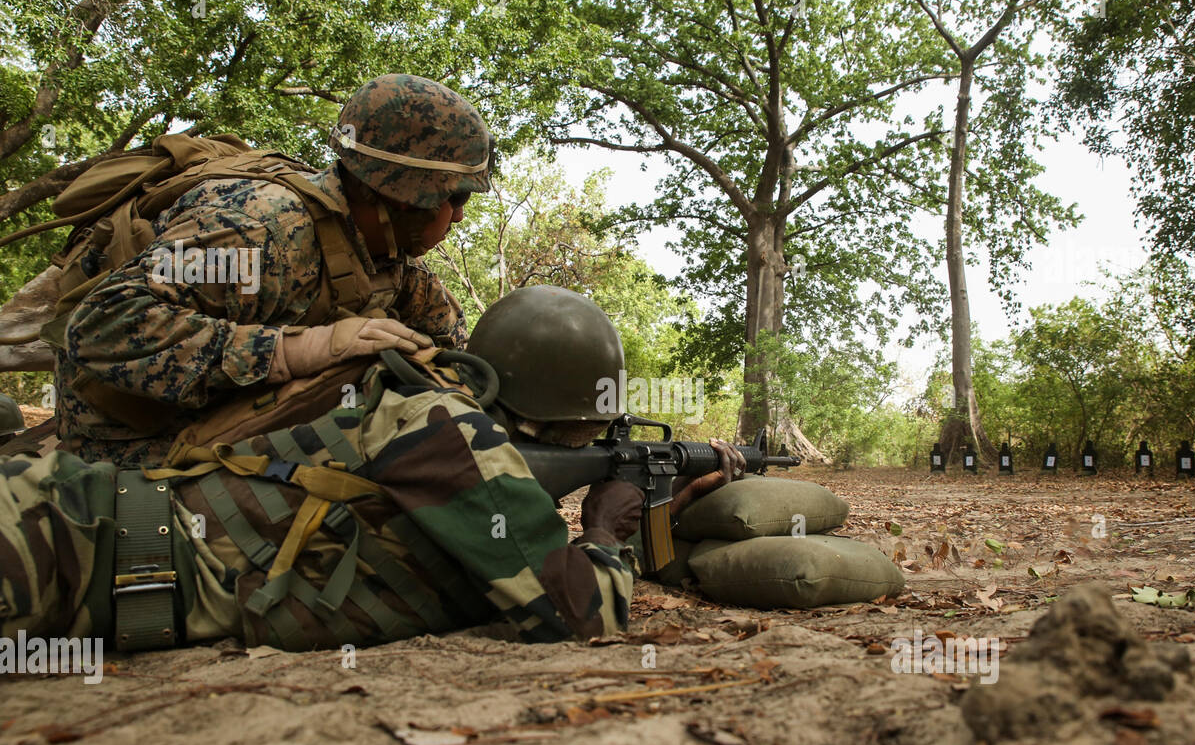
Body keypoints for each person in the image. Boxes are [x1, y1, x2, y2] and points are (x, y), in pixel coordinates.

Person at [0, 287, 743, 652]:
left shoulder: (430, 409)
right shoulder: (452, 434)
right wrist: (609, 528)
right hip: (69, 540)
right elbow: (585, 613)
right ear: (563, 414)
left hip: (96, 556)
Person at [55, 74, 493, 467]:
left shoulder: (386, 255)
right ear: (404, 198)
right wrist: (295, 351)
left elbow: (460, 347)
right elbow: (99, 324)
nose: (456, 217)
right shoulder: (259, 234)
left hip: (229, 422)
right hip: (130, 445)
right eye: (457, 198)